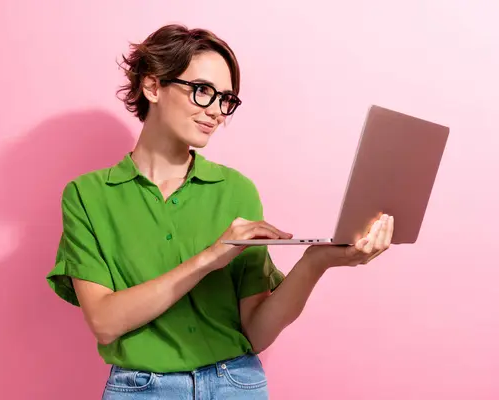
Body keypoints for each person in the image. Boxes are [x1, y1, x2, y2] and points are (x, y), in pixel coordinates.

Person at [46, 24, 394, 399]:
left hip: (237, 384)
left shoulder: (236, 190)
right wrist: (212, 257)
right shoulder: (88, 196)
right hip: (141, 389)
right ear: (152, 87)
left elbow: (257, 332)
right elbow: (105, 322)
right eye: (202, 91)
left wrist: (315, 263)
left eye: (226, 99)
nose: (216, 112)